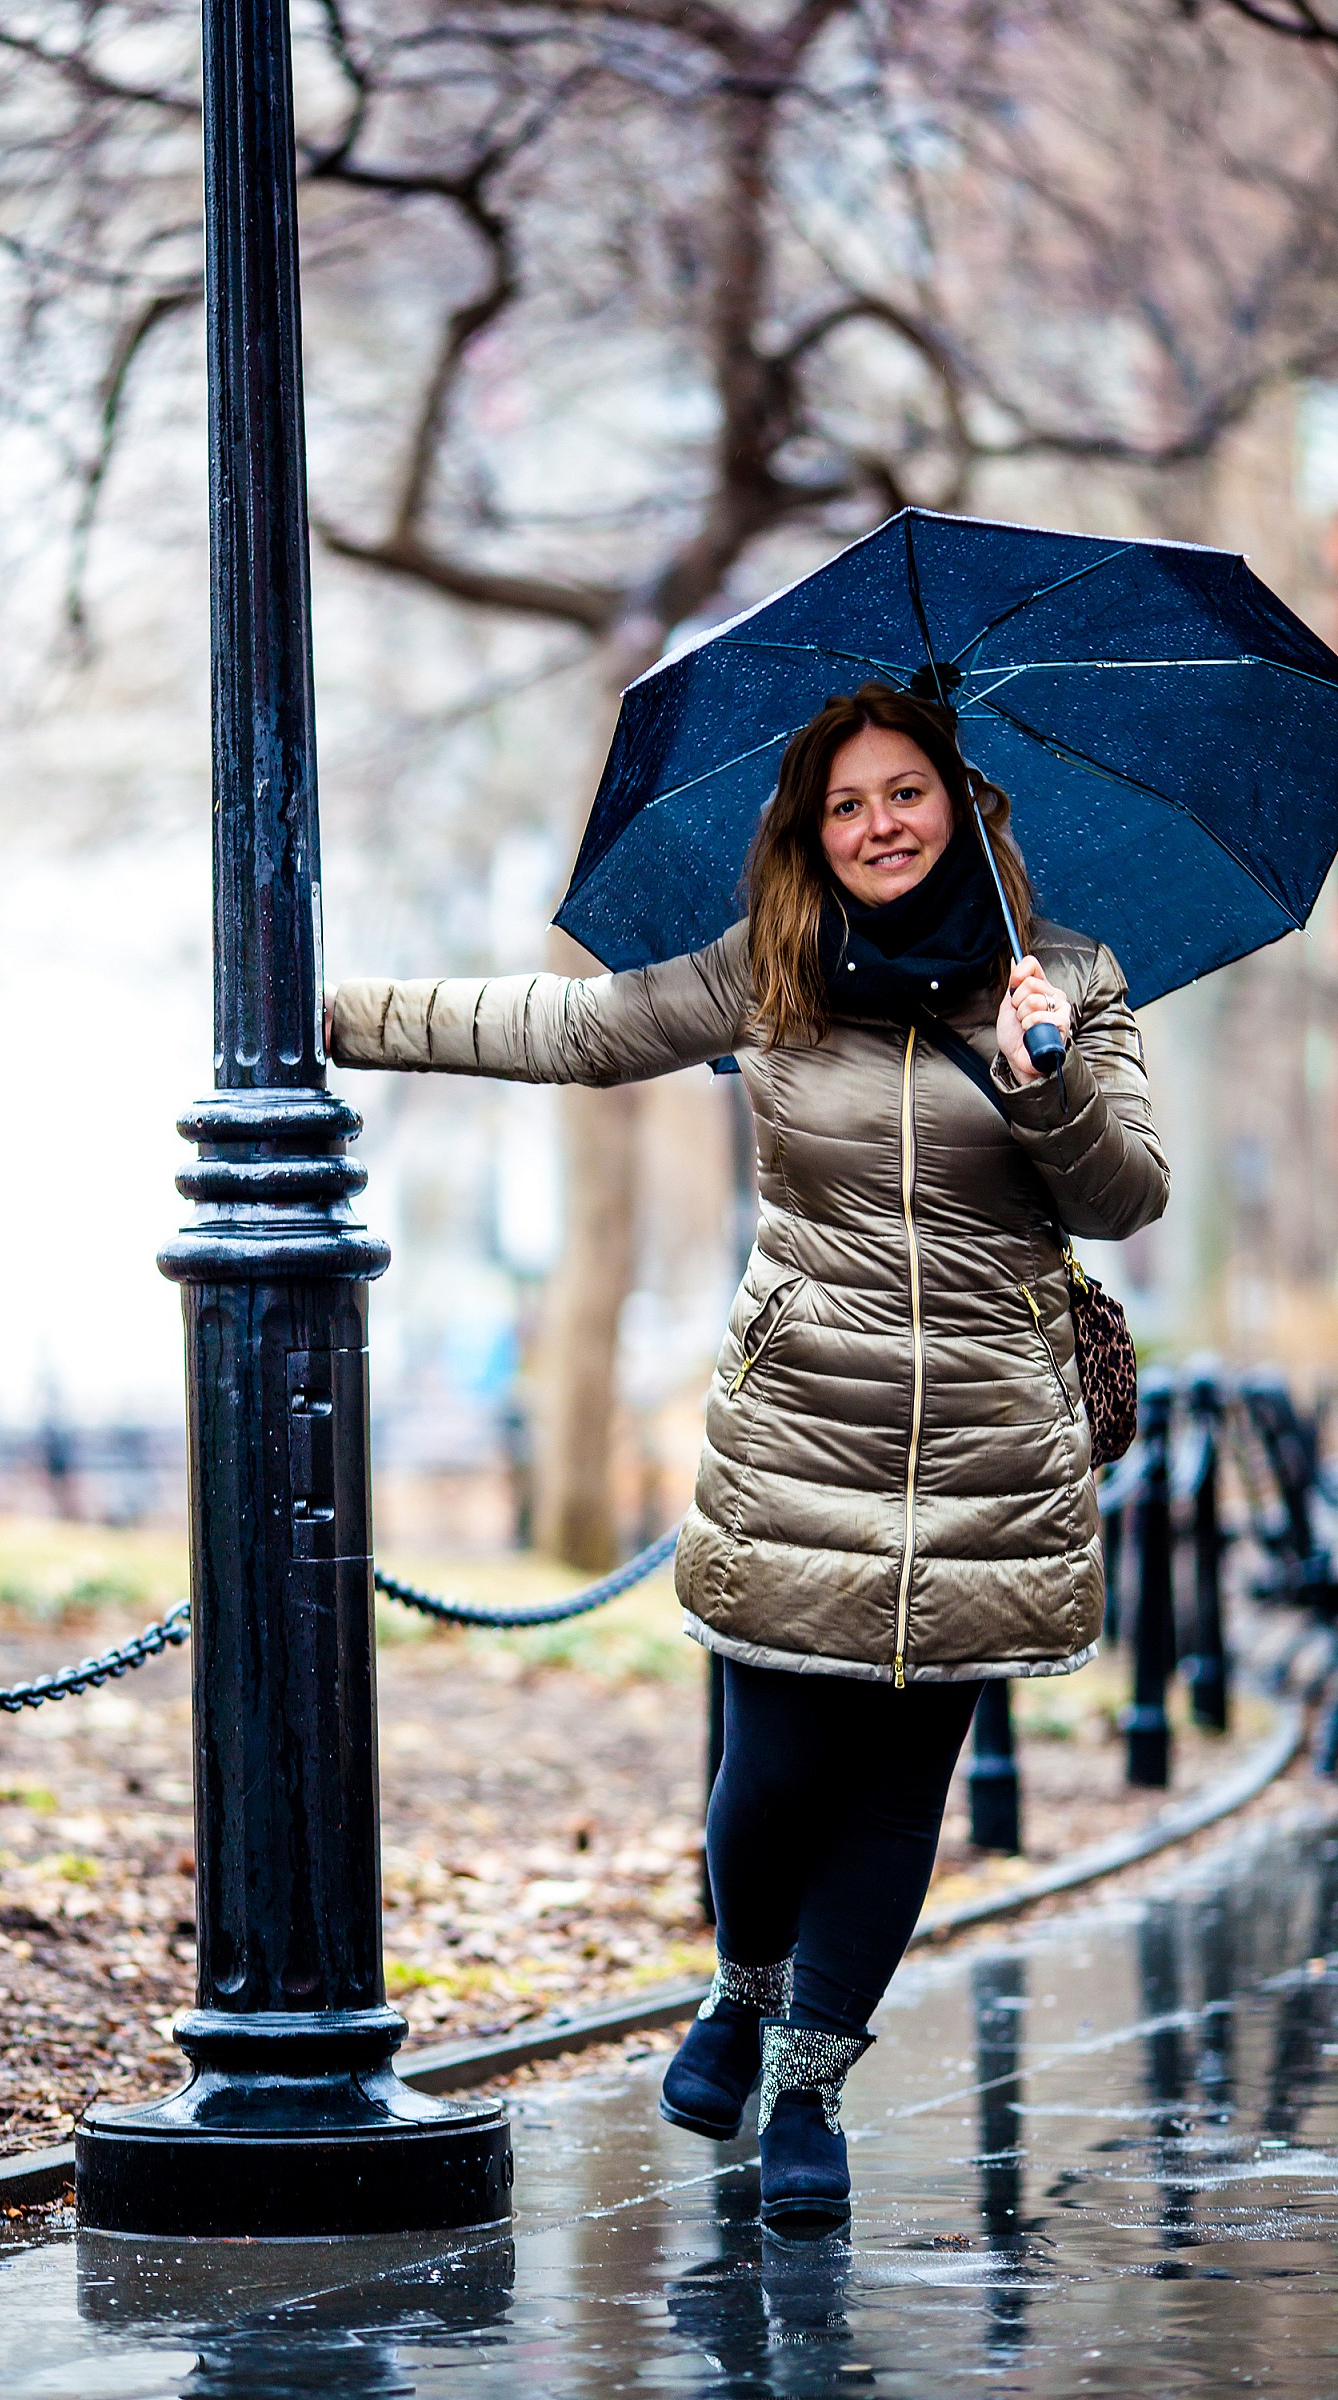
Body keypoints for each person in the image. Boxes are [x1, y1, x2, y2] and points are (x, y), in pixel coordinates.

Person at [327, 682, 1168, 2237]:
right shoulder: (772, 975)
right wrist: (332, 1013)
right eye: (845, 806)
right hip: (804, 1434)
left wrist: (1041, 1072)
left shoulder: (1068, 984)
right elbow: (580, 1032)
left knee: (901, 1786)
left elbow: (1125, 1198)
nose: (876, 827)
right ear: (813, 833)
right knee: (776, 1775)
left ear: (964, 806)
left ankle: (808, 2089)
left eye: (903, 793)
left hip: (989, 1450)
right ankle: (739, 1984)